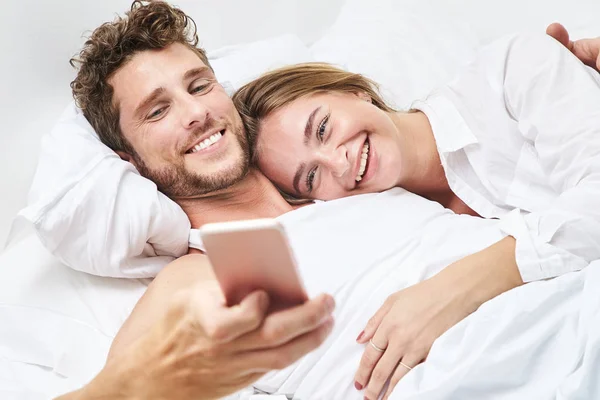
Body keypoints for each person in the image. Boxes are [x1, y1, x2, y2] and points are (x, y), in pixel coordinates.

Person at [57, 0, 600, 397]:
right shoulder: (226, 262)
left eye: (199, 87)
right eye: (157, 111)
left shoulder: (336, 185)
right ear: (128, 160)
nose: (195, 113)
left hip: (576, 308)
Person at [231, 27, 600, 399]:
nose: (337, 163)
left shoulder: (512, 69)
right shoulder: (387, 232)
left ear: (353, 90)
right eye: (311, 177)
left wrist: (466, 283)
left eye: (323, 128)